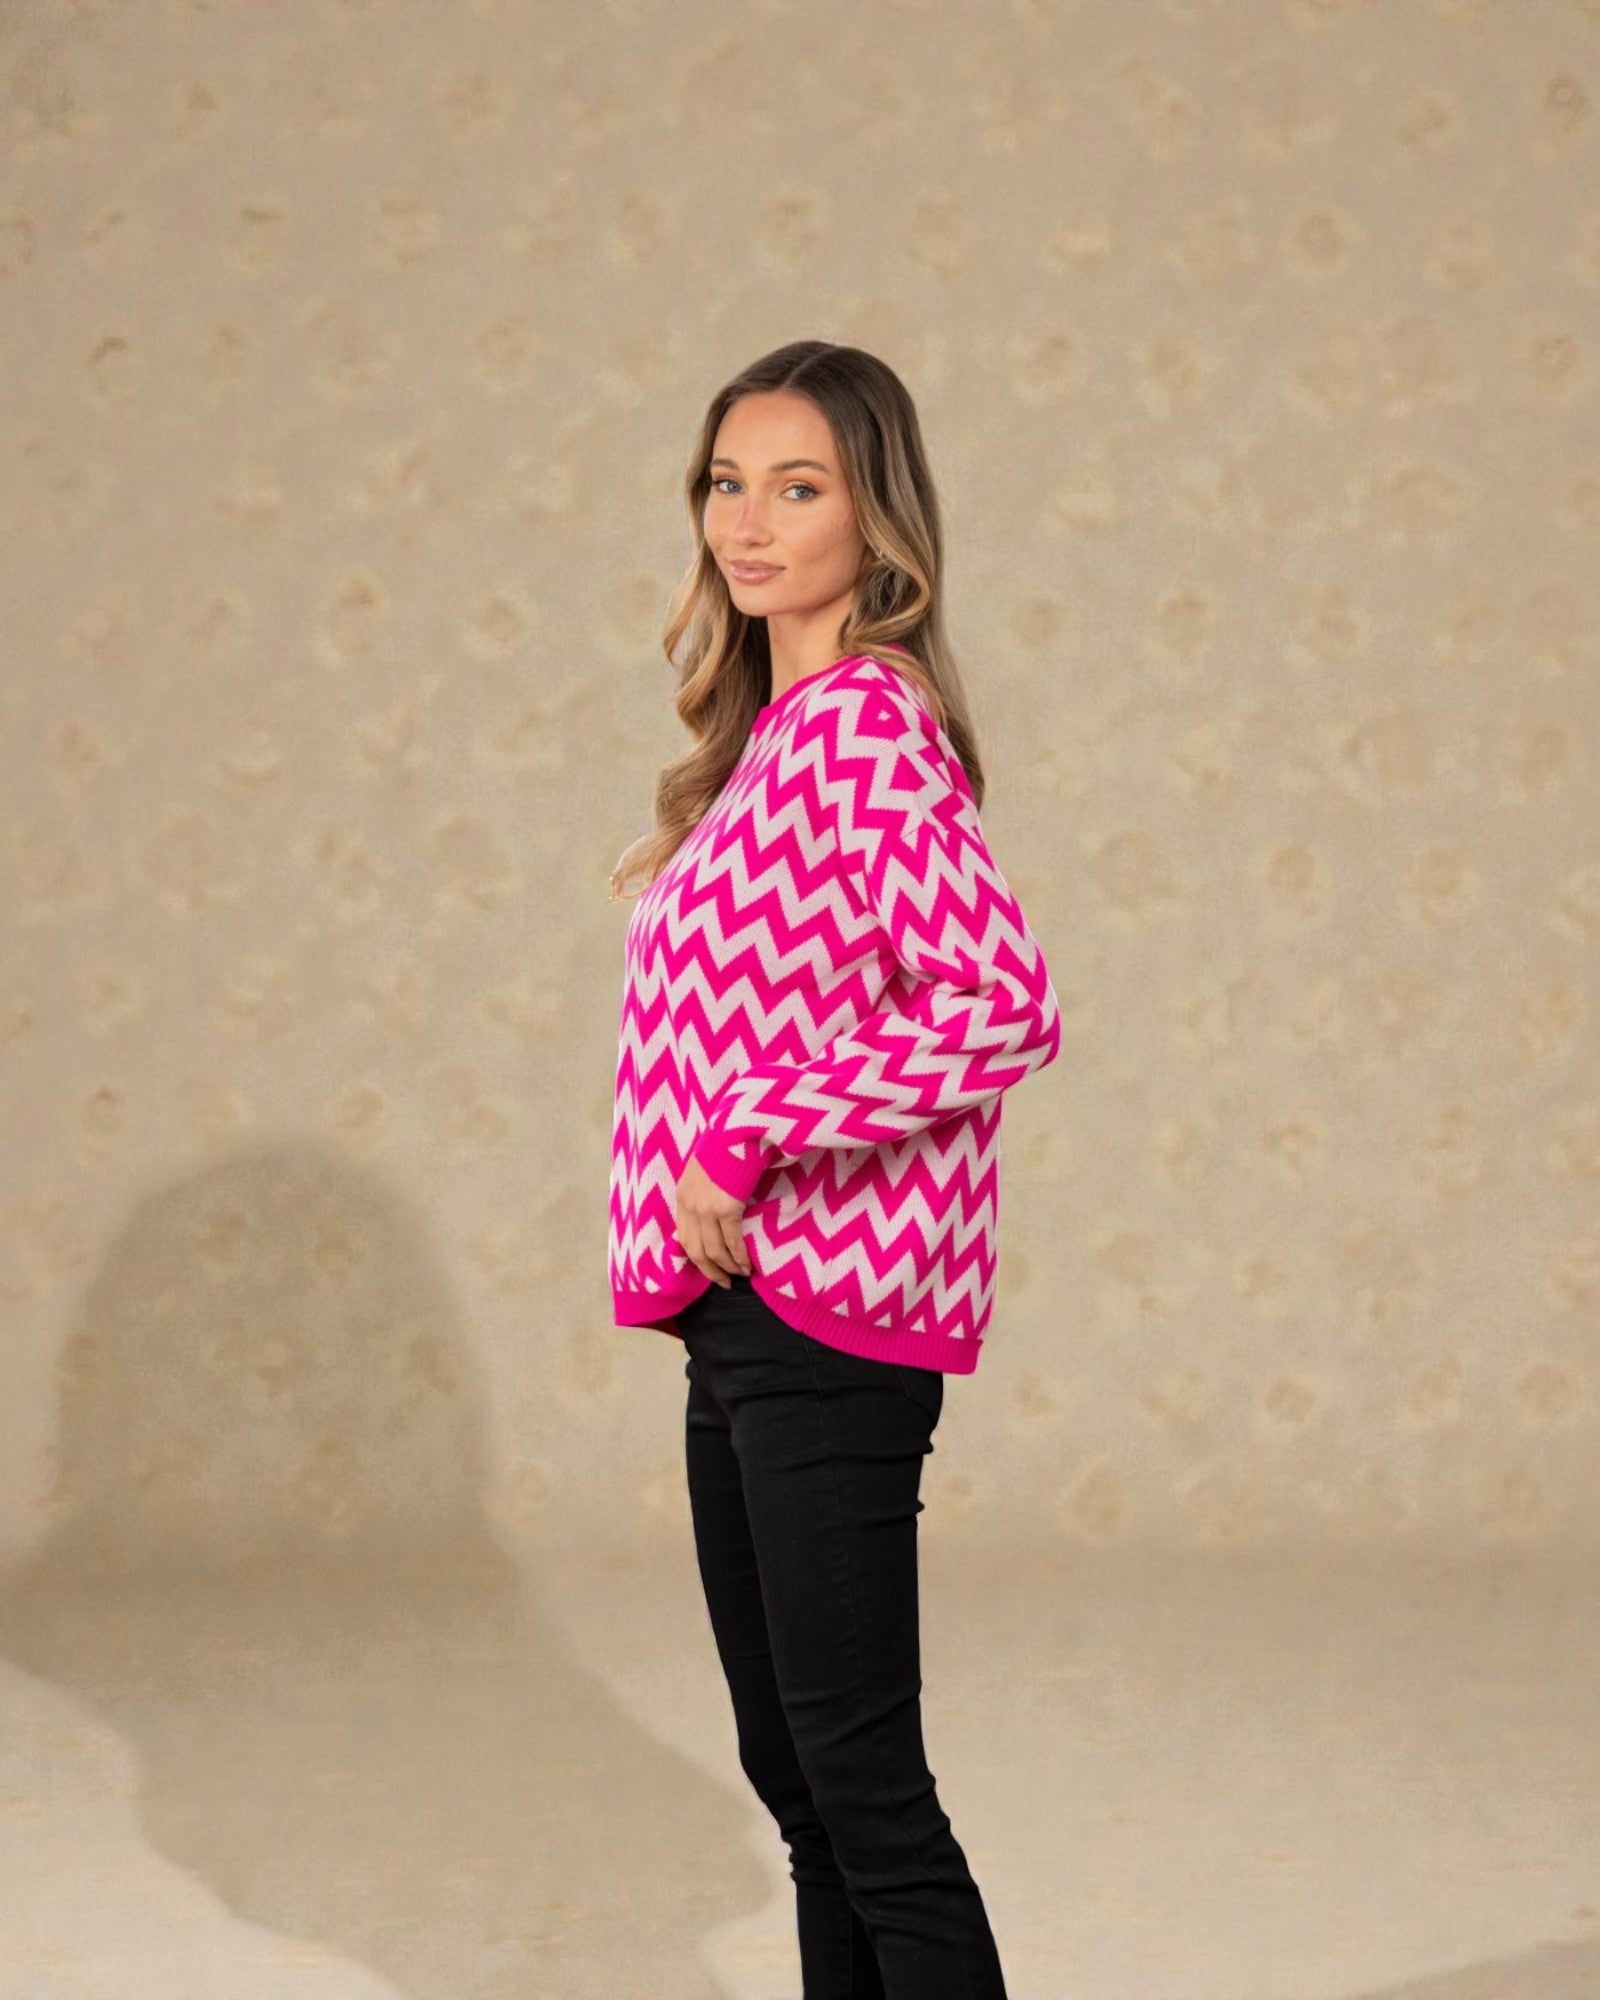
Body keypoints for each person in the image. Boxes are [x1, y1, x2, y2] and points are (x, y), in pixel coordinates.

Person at [606, 340, 1061, 2000]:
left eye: (799, 487)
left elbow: (1007, 1004)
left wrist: (747, 1137)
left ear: (876, 521)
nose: (752, 520)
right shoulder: (768, 749)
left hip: (829, 1322)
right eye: (729, 483)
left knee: (864, 1795)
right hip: (747, 1328)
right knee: (805, 1792)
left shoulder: (866, 730)